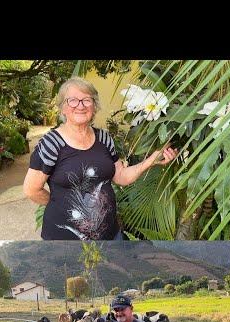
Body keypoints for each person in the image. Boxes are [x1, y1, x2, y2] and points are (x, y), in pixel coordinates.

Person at [23, 77, 178, 240]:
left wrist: (150, 161)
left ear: (94, 106)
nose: (80, 106)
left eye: (86, 100)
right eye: (72, 100)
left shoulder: (104, 138)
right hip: (65, 242)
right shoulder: (51, 143)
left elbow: (120, 177)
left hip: (110, 235)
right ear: (63, 108)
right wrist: (59, 204)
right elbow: (31, 190)